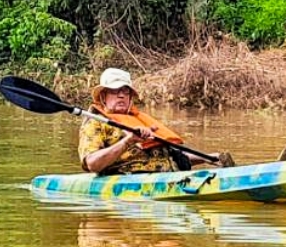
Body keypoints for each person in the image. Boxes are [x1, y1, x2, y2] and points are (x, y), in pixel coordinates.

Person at [78, 67, 234, 174]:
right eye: (114, 91)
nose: (121, 95)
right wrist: (127, 141)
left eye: (125, 91)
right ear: (103, 96)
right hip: (131, 179)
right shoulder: (95, 122)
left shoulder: (140, 120)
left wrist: (210, 158)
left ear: (131, 97)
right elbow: (92, 164)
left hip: (171, 174)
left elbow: (171, 155)